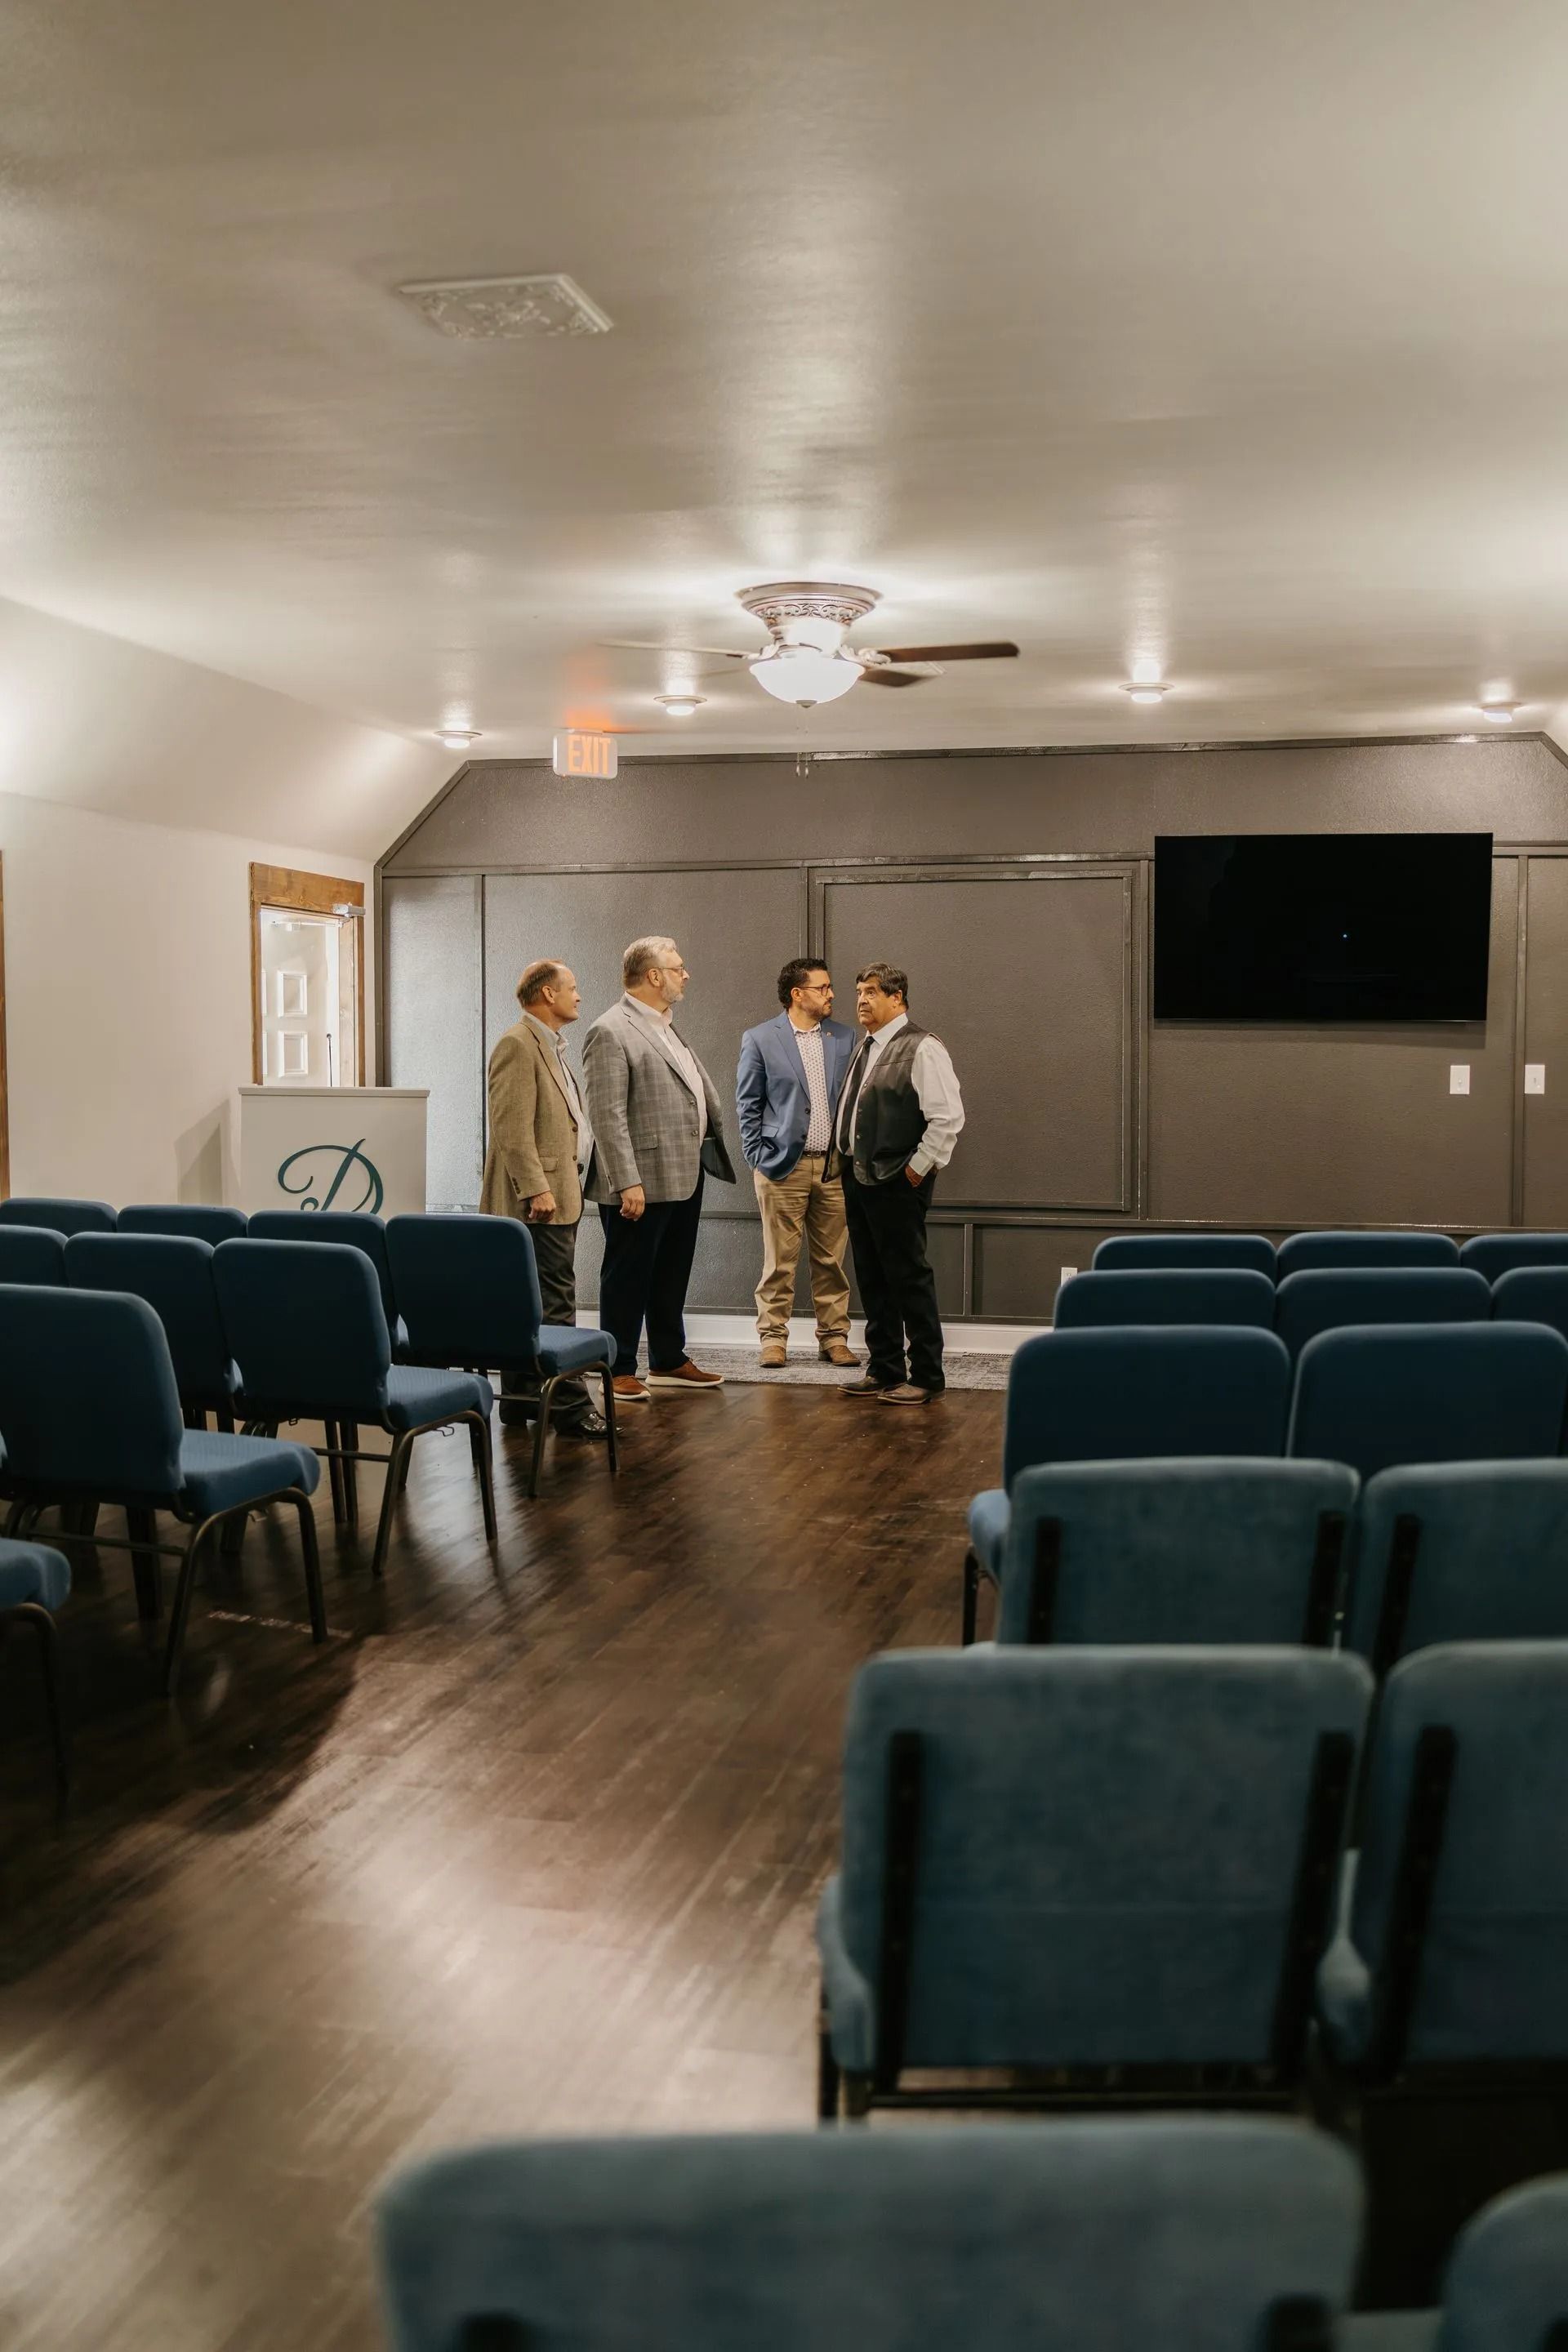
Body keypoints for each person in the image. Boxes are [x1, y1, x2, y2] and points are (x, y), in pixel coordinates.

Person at [583, 935, 736, 1402]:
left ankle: (668, 1359)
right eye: (678, 968)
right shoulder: (610, 1029)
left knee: (672, 1270)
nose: (685, 974)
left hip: (683, 1172)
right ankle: (619, 1366)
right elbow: (606, 1114)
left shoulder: (665, 1026)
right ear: (653, 976)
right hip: (639, 1181)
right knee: (628, 1273)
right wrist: (626, 1179)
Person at [479, 959, 606, 1437]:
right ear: (548, 994)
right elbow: (511, 1128)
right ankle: (570, 1407)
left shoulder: (548, 1045)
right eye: (572, 988)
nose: (578, 995)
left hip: (556, 1194)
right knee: (554, 1303)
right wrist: (537, 1188)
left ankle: (521, 1400)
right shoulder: (517, 1043)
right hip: (537, 1201)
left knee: (529, 1302)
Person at [835, 960, 964, 1405]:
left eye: (872, 992)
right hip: (858, 1178)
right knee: (872, 1278)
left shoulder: (922, 1047)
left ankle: (927, 1375)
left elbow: (947, 1119)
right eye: (858, 992)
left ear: (898, 998)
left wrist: (915, 1170)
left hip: (897, 1181)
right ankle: (885, 1368)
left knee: (908, 1278)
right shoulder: (866, 1047)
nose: (862, 1001)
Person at [736, 959, 860, 1370]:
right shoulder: (760, 1039)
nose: (831, 995)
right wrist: (758, 1156)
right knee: (779, 1263)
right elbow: (748, 1104)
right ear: (797, 994)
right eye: (822, 988)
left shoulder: (843, 1037)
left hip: (834, 1169)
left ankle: (834, 1338)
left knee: (831, 1262)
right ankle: (773, 1340)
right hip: (781, 1168)